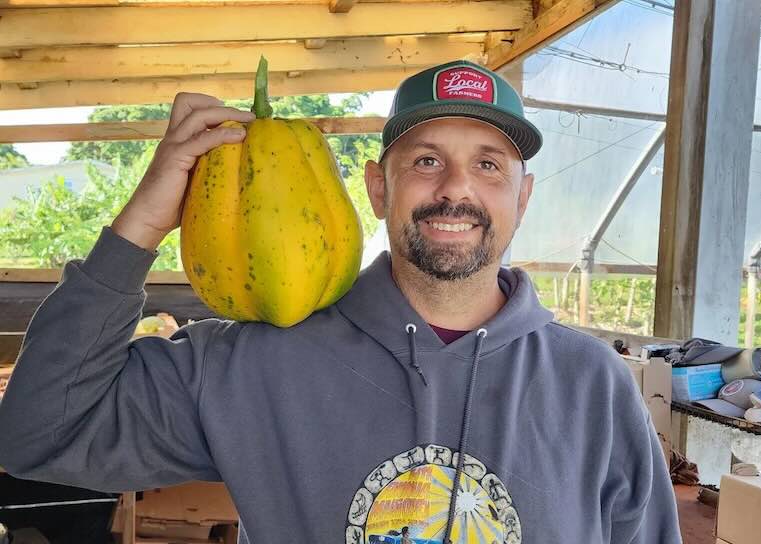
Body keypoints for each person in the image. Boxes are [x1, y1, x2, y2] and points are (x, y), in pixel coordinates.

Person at [0, 60, 681, 543]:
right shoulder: (255, 361)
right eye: (425, 160)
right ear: (379, 189)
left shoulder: (592, 384)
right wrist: (141, 224)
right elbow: (36, 434)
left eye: (488, 164)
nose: (455, 188)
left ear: (521, 197)